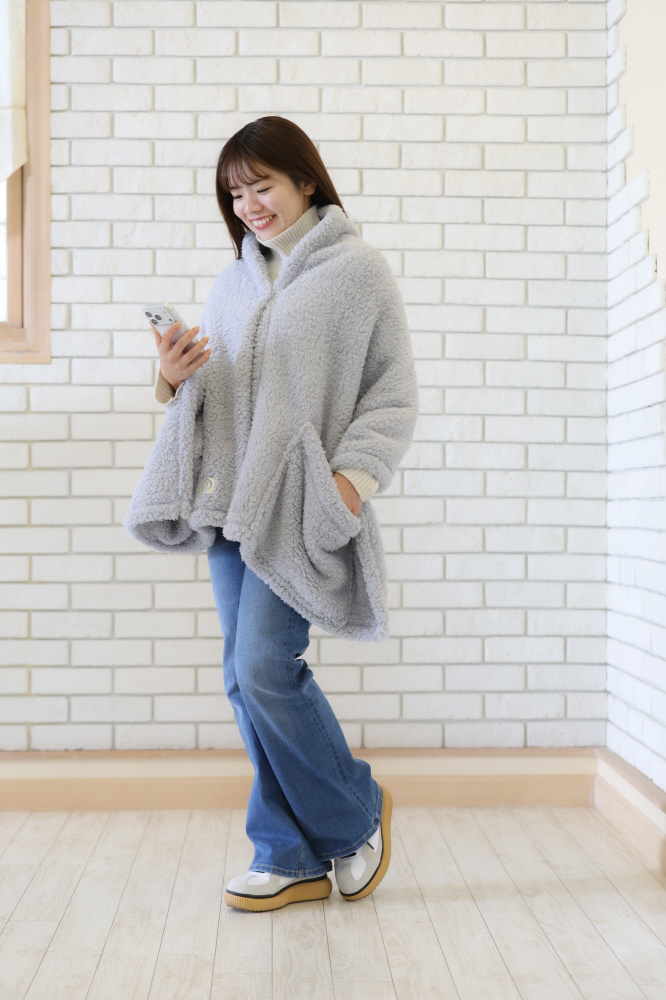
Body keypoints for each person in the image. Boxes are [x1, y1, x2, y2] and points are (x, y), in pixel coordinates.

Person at [140, 116, 418, 913]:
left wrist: (349, 483)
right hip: (231, 504)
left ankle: (355, 813)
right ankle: (287, 853)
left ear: (305, 180)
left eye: (261, 186)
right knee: (244, 679)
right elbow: (222, 395)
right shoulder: (232, 283)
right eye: (235, 193)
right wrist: (173, 377)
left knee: (266, 668)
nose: (249, 205)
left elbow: (392, 395)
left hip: (299, 502)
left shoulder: (358, 271)